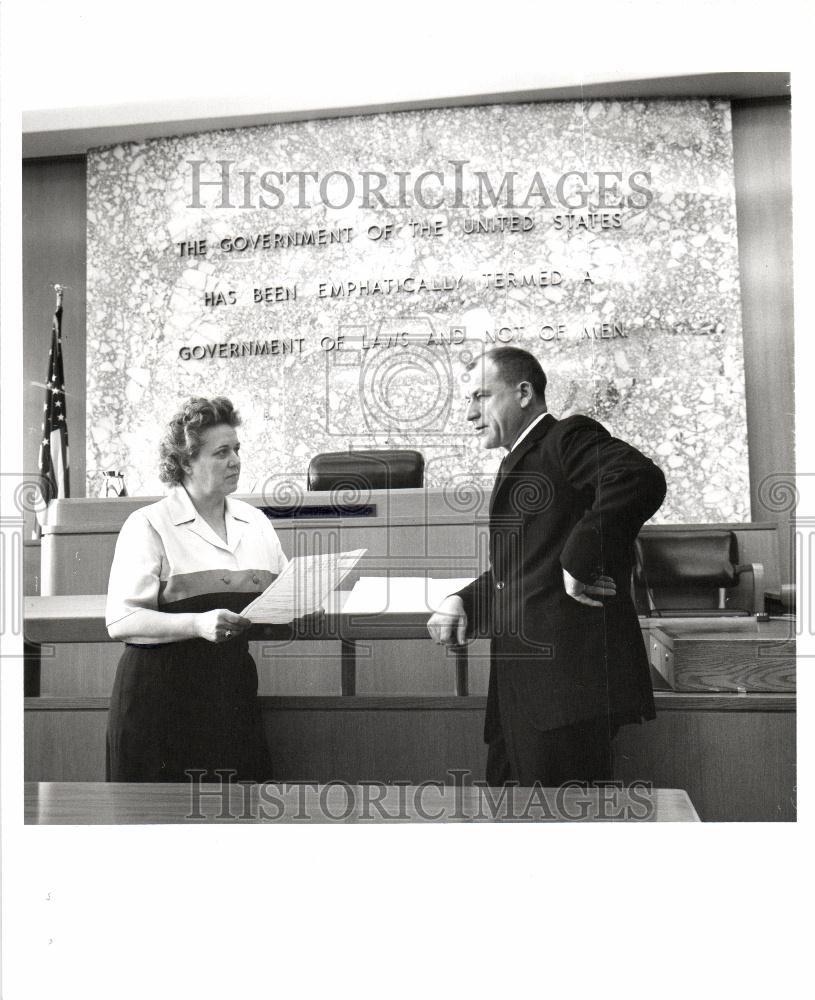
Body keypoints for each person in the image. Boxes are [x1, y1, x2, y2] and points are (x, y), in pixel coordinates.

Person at [428, 347, 666, 787]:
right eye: (468, 401)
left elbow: (638, 477)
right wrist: (463, 599)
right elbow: (523, 567)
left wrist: (580, 559)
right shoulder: (518, 460)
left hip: (564, 697)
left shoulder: (566, 437)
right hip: (523, 700)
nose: (469, 414)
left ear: (523, 393)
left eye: (481, 397)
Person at [105, 396, 287, 782]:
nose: (235, 460)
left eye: (236, 449)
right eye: (221, 452)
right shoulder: (149, 523)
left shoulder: (255, 522)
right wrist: (196, 624)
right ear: (186, 461)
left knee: (238, 825)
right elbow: (121, 619)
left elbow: (281, 591)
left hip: (231, 695)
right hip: (160, 700)